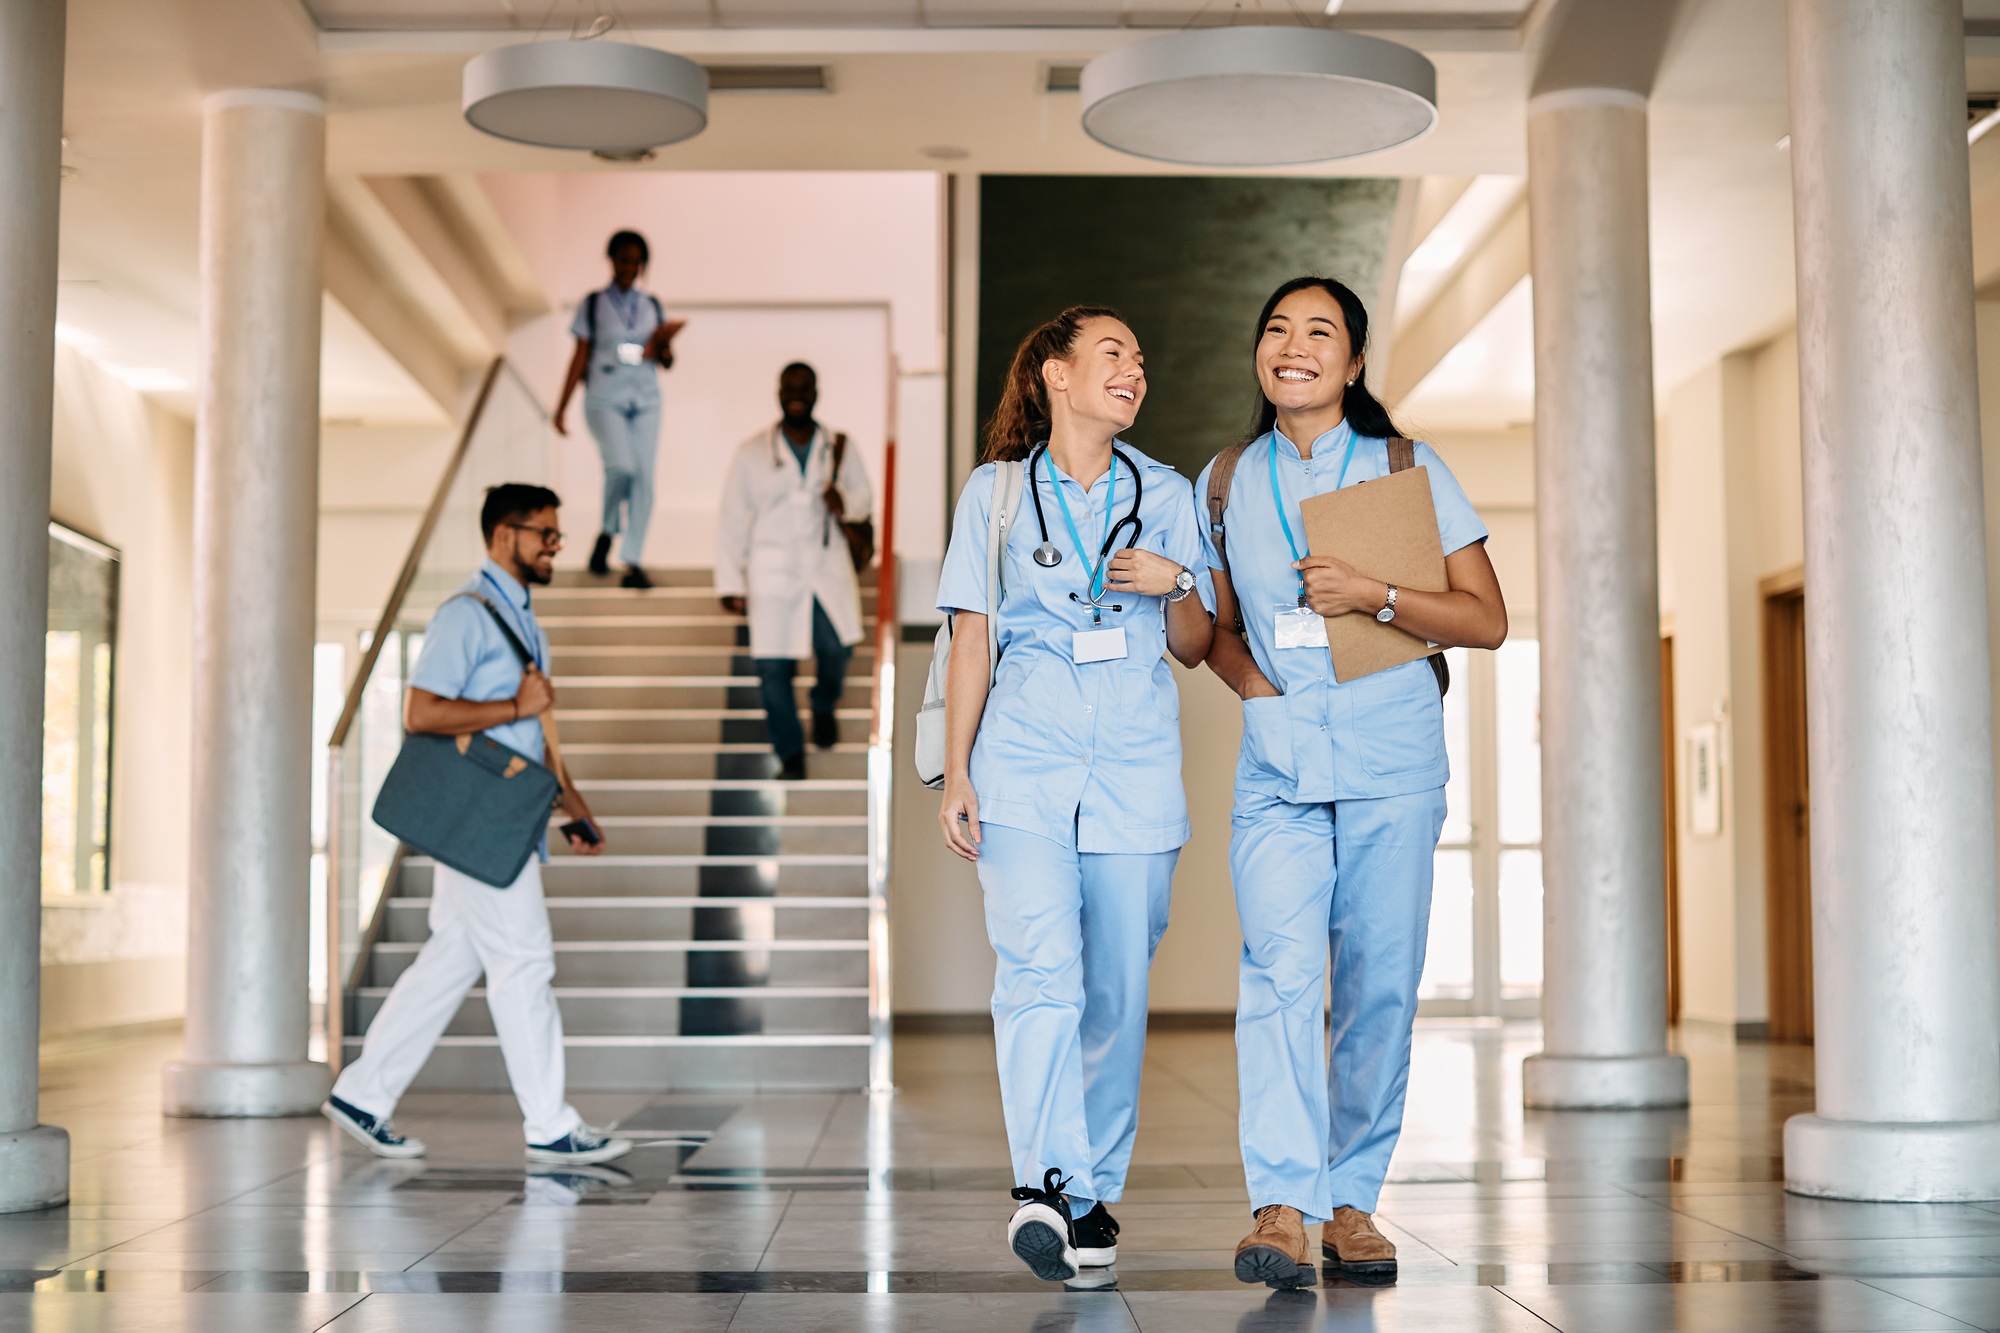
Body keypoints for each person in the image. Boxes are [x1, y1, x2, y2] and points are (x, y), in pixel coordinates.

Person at [1197, 277, 1507, 1289]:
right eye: (1277, 328)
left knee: (1375, 986)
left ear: (1354, 363)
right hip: (1279, 771)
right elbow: (1220, 632)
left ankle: (1350, 1202)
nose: (1294, 345)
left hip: (1388, 761)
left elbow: (1482, 618)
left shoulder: (1403, 467)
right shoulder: (1224, 479)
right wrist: (1257, 693)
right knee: (1279, 979)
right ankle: (1279, 1205)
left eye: (1319, 331)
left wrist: (1373, 592)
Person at [936, 307, 1215, 1283]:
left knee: (1116, 991)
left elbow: (1188, 644)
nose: (1132, 370)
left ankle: (1089, 1191)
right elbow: (973, 635)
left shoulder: (1168, 493)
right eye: (1111, 354)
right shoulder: (997, 493)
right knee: (1037, 975)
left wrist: (1174, 578)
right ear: (1052, 373)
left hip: (1134, 775)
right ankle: (1044, 1185)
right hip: (1022, 768)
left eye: (1139, 358)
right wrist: (958, 769)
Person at [322, 483, 634, 1169]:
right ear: (503, 535)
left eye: (557, 534)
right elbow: (422, 713)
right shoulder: (466, 614)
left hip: (507, 813)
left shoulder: (523, 620)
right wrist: (509, 705)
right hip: (477, 820)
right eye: (543, 534)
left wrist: (572, 802)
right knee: (524, 959)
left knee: (452, 957)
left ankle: (362, 1093)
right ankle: (550, 1123)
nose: (555, 546)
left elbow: (532, 725)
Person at [714, 362, 873, 781]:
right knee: (772, 668)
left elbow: (864, 497)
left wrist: (845, 501)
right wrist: (730, 581)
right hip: (771, 574)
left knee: (837, 648)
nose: (796, 394)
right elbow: (732, 517)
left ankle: (823, 704)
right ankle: (790, 754)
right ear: (778, 392)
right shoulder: (752, 452)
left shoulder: (838, 446)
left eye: (804, 388)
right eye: (789, 388)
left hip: (825, 567)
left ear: (817, 393)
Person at [553, 229, 685, 590]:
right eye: (623, 259)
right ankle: (609, 529)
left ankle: (631, 560)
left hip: (645, 399)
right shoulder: (594, 304)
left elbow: (665, 362)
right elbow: (579, 355)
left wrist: (664, 344)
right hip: (605, 397)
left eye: (636, 261)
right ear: (611, 260)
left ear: (643, 265)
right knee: (621, 467)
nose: (629, 267)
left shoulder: (651, 305)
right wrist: (561, 407)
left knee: (645, 479)